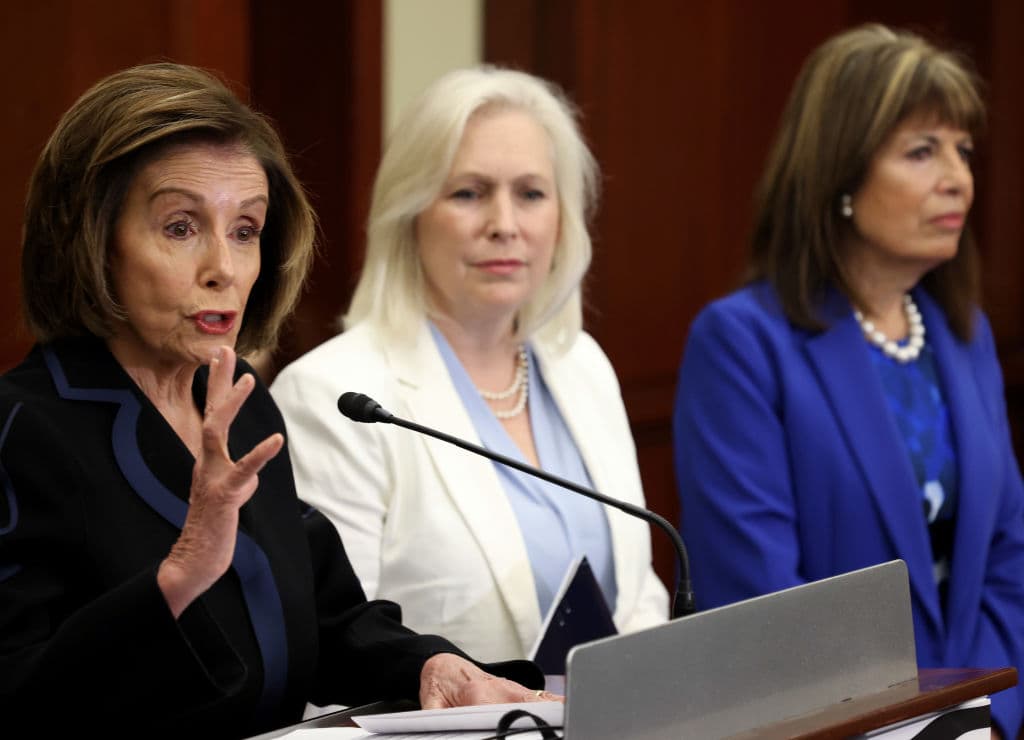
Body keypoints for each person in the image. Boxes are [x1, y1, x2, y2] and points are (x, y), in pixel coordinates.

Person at [0, 63, 554, 739]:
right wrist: (177, 578)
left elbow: (328, 618)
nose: (224, 269)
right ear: (91, 238)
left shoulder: (239, 403)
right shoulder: (23, 429)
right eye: (180, 227)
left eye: (245, 230)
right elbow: (16, 695)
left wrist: (427, 665)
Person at [672, 24, 1024, 737]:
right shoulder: (741, 344)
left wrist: (985, 717)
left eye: (961, 149)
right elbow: (761, 601)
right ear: (840, 174)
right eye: (922, 151)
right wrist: (915, 729)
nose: (957, 176)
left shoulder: (963, 335)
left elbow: (1009, 563)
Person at [270, 66, 668, 663]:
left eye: (531, 194)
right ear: (409, 213)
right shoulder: (332, 393)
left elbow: (638, 595)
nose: (504, 225)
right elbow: (333, 652)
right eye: (469, 193)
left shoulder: (581, 364)